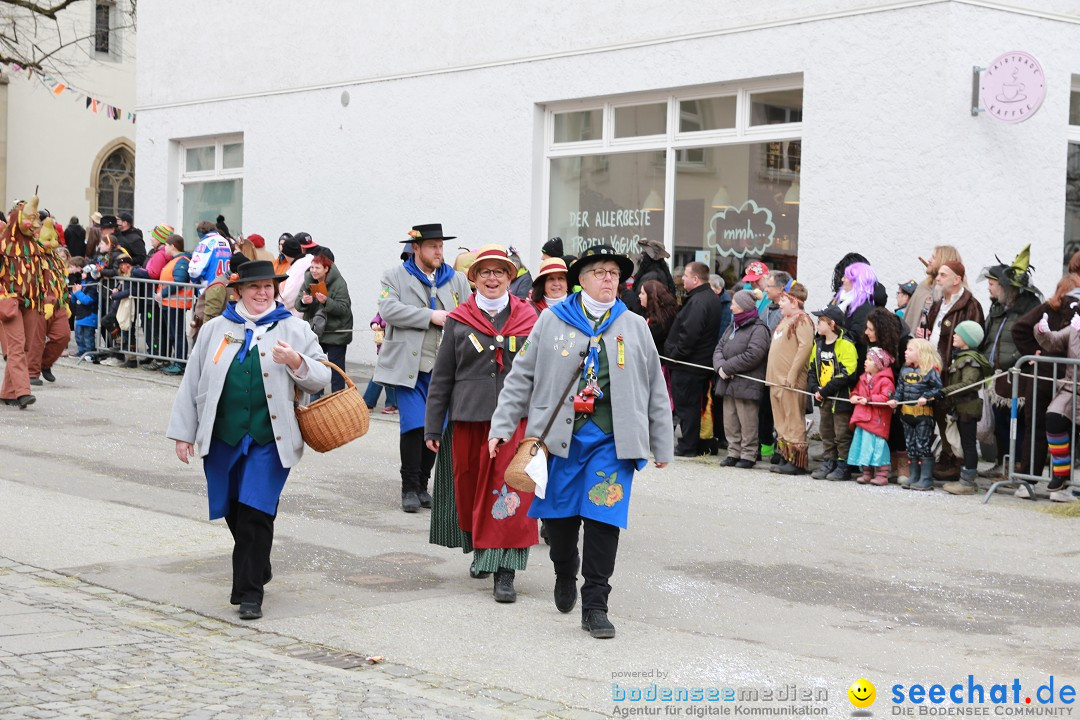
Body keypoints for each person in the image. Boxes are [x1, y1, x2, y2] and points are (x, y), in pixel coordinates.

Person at [488, 244, 673, 639]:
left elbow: (655, 387)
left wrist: (661, 442)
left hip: (612, 442)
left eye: (614, 273)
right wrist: (502, 426)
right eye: (600, 272)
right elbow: (521, 375)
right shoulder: (552, 320)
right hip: (559, 442)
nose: (609, 279)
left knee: (604, 519)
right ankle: (564, 570)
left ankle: (596, 605)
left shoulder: (634, 325)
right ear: (582, 279)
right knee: (559, 521)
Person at [166, 259, 331, 620]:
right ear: (238, 291)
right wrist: (183, 433)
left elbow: (322, 376)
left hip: (270, 439)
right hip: (223, 437)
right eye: (254, 287)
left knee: (256, 511)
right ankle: (259, 566)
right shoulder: (215, 329)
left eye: (268, 287)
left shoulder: (295, 328)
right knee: (234, 511)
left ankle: (248, 592)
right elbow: (192, 381)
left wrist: (297, 361)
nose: (262, 293)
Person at [424, 244, 539, 602]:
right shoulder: (459, 319)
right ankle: (482, 551)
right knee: (473, 489)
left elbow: (542, 374)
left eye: (500, 272)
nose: (493, 278)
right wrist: (432, 426)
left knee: (513, 493)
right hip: (469, 421)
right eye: (485, 272)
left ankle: (505, 572)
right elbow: (441, 377)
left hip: (516, 422)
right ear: (473, 278)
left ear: (510, 278)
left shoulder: (530, 318)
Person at [373, 223, 471, 513]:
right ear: (416, 248)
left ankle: (423, 485)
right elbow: (388, 310)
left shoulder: (457, 281)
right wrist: (431, 315)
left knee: (435, 430)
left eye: (441, 246)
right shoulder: (394, 276)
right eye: (432, 246)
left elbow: (468, 313)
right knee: (414, 426)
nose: (439, 251)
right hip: (408, 366)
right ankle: (408, 488)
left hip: (444, 368)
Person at [980, 246, 1041, 482]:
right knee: (1000, 421)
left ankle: (1016, 465)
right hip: (997, 374)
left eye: (993, 283)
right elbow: (990, 335)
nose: (989, 287)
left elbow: (1029, 337)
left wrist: (1013, 358)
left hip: (1018, 373)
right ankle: (1002, 462)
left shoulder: (1029, 306)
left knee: (1018, 421)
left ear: (1006, 286)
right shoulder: (996, 307)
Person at [1011, 273, 1080, 480]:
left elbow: (1020, 328)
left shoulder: (1049, 309)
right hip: (1059, 379)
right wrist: (1034, 351)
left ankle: (1029, 480)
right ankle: (1057, 482)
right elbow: (1020, 329)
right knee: (1061, 430)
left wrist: (1033, 351)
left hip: (1048, 376)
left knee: (1038, 430)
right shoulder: (1054, 310)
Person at [923, 261, 984, 480]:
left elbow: (973, 340)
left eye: (942, 274)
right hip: (934, 369)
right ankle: (947, 455)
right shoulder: (939, 303)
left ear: (956, 279)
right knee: (940, 415)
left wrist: (957, 365)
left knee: (956, 419)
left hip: (954, 371)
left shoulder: (970, 305)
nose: (937, 278)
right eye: (938, 274)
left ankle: (960, 463)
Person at [665, 262, 724, 457]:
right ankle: (693, 442)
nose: (682, 279)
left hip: (690, 364)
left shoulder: (699, 301)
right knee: (692, 405)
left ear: (696, 279)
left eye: (686, 276)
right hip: (697, 362)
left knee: (687, 405)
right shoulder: (707, 298)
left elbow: (689, 335)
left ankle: (688, 445)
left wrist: (674, 356)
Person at [713, 289, 770, 468]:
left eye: (735, 305)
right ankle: (733, 452)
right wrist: (720, 366)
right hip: (728, 382)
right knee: (730, 420)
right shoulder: (733, 326)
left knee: (748, 421)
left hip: (747, 383)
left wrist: (728, 367)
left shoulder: (758, 329)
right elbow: (719, 348)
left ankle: (748, 454)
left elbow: (754, 354)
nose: (731, 307)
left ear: (744, 307)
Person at [1032, 302, 1080, 502]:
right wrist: (1042, 330)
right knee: (1054, 418)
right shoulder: (1076, 327)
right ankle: (1060, 474)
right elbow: (1053, 342)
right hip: (1072, 388)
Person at [766, 281, 814, 475]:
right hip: (775, 379)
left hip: (790, 381)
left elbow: (805, 348)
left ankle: (797, 460)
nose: (780, 303)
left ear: (794, 302)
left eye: (784, 300)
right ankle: (786, 456)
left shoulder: (802, 320)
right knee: (781, 420)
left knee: (793, 419)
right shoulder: (785, 319)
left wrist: (792, 374)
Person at [939, 321, 991, 495]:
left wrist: (944, 392)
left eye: (958, 334)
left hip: (968, 407)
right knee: (965, 443)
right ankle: (965, 478)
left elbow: (968, 384)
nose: (954, 336)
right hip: (961, 406)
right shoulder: (962, 357)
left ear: (967, 339)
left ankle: (967, 482)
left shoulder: (970, 360)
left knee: (968, 445)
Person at [808, 305, 859, 480]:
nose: (817, 324)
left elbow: (848, 372)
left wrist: (825, 389)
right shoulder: (819, 344)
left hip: (840, 397)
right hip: (823, 397)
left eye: (821, 321)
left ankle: (843, 465)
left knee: (842, 433)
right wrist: (815, 388)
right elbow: (812, 369)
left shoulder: (846, 345)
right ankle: (828, 461)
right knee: (826, 431)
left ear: (832, 324)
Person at [888, 338, 944, 491]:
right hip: (906, 413)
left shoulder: (931, 371)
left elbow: (939, 390)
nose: (906, 352)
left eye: (910, 350)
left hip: (923, 415)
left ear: (922, 353)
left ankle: (925, 478)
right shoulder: (905, 370)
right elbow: (900, 389)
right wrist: (895, 400)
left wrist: (926, 397)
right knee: (910, 446)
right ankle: (914, 475)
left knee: (923, 445)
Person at [864, 307, 911, 484]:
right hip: (879, 389)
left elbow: (905, 370)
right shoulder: (874, 342)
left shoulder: (904, 341)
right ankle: (889, 462)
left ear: (881, 329)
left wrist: (895, 394)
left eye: (870, 329)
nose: (866, 332)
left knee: (899, 425)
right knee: (885, 426)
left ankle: (903, 464)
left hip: (900, 389)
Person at [296, 249, 353, 395]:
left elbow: (344, 308)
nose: (313, 271)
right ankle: (316, 398)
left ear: (326, 269)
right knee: (315, 365)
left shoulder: (339, 283)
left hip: (336, 331)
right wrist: (305, 301)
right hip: (316, 330)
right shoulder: (308, 280)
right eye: (312, 267)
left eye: (317, 268)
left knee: (336, 368)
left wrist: (326, 301)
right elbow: (298, 304)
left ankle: (338, 399)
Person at [847, 347, 896, 485]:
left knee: (878, 446)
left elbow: (886, 397)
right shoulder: (862, 378)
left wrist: (868, 399)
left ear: (879, 364)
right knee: (863, 445)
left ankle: (882, 473)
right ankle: (867, 472)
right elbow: (856, 390)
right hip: (862, 418)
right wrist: (854, 396)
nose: (865, 362)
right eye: (866, 359)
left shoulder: (886, 381)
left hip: (877, 420)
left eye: (870, 360)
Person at [154, 235, 193, 376]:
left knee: (177, 334)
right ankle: (176, 361)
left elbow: (178, 282)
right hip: (170, 303)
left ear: (173, 246)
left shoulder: (181, 261)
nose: (164, 248)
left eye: (166, 245)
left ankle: (180, 363)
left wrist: (162, 294)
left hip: (176, 303)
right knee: (173, 333)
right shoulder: (176, 261)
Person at [904, 245, 963, 336]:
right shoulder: (925, 286)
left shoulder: (952, 297)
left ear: (943, 262)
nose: (929, 260)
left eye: (934, 258)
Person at [622, 238, 675, 314]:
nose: (642, 257)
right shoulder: (661, 273)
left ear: (648, 258)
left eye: (644, 254)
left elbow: (640, 301)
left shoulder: (651, 277)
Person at [362, 312, 397, 413]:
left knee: (382, 373)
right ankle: (392, 404)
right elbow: (379, 314)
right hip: (385, 346)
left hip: (394, 346)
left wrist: (381, 325)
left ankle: (369, 402)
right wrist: (374, 323)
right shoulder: (386, 301)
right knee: (387, 374)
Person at [188, 220, 233, 286]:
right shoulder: (224, 241)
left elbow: (196, 271)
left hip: (209, 287)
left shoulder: (205, 243)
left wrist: (192, 277)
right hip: (224, 283)